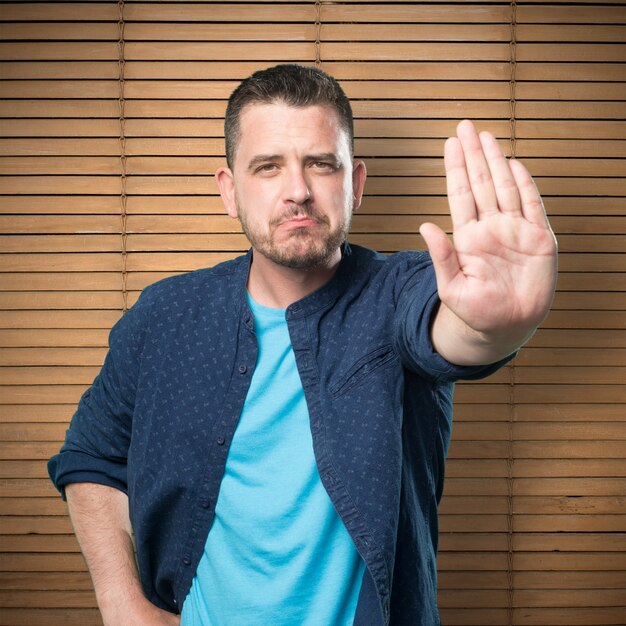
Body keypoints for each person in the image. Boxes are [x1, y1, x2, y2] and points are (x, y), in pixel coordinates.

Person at [48, 64, 557, 626]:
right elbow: (92, 458)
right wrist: (122, 604)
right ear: (229, 189)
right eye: (268, 167)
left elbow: (451, 331)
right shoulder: (164, 317)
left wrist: (495, 326)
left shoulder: (401, 292)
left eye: (321, 164)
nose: (298, 191)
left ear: (355, 183)